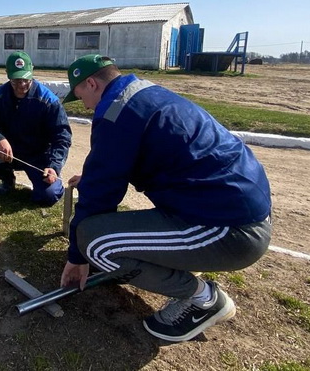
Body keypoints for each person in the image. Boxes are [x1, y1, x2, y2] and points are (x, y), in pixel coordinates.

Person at [59, 54, 272, 343]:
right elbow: (126, 161)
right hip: (239, 205)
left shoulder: (114, 111)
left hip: (229, 228)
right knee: (101, 236)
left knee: (93, 243)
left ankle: (204, 299)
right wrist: (95, 179)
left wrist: (76, 256)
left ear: (92, 83)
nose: (83, 104)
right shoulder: (146, 92)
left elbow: (100, 197)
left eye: (81, 94)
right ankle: (187, 265)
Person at [0, 51, 71, 205]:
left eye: (25, 79)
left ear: (32, 72)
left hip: (38, 157)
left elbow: (62, 137)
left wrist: (54, 166)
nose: (21, 85)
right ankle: (8, 180)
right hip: (10, 153)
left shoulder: (48, 100)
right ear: (8, 76)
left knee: (48, 196)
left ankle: (46, 184)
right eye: (16, 80)